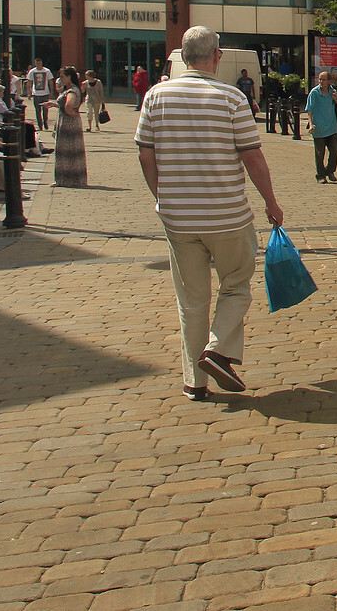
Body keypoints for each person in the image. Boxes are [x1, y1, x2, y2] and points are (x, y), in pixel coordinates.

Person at [136, 26, 282, 403]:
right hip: (227, 214)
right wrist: (270, 201)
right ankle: (216, 351)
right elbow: (253, 157)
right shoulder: (231, 98)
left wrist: (160, 195)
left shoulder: (155, 96)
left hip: (179, 218)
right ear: (216, 55)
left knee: (191, 299)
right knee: (236, 284)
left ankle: (194, 382)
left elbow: (145, 154)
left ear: (183, 57)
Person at [53, 66, 88, 188]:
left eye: (62, 76)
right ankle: (67, 178)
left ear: (69, 77)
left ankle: (68, 179)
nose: (60, 79)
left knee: (68, 151)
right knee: (69, 150)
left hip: (68, 123)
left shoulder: (72, 90)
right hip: (68, 121)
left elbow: (69, 106)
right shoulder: (69, 89)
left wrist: (72, 113)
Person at [306, 72, 337, 183]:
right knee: (319, 153)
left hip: (331, 126)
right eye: (320, 79)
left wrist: (335, 98)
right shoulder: (314, 93)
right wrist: (311, 124)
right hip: (319, 127)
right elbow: (309, 110)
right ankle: (320, 175)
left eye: (324, 80)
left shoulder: (332, 91)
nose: (321, 82)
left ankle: (330, 171)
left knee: (335, 150)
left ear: (329, 81)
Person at [27, 59, 54, 132]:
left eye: (39, 63)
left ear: (41, 63)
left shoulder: (47, 71)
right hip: (36, 94)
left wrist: (51, 92)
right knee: (37, 111)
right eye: (37, 63)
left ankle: (45, 122)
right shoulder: (32, 72)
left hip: (45, 93)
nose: (38, 64)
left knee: (45, 110)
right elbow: (29, 82)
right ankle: (40, 125)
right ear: (35, 63)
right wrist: (29, 93)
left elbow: (50, 81)